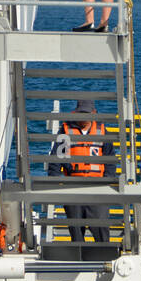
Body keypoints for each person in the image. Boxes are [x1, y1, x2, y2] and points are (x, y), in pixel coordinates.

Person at [52, 100, 111, 245]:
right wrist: (56, 183)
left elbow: (110, 161)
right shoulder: (65, 132)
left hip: (97, 188)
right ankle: (79, 260)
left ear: (94, 114)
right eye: (81, 113)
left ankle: (104, 256)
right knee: (76, 230)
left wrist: (107, 183)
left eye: (86, 114)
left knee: (100, 228)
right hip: (73, 187)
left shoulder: (102, 132)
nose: (83, 117)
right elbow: (55, 160)